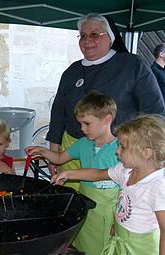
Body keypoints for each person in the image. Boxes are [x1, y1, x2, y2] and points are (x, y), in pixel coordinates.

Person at [46, 13, 165, 190]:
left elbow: (154, 110)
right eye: (83, 36)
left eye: (95, 34)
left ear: (110, 37)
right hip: (72, 150)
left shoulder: (132, 64)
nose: (87, 40)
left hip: (117, 150)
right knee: (72, 200)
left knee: (108, 202)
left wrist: (148, 151)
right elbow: (58, 114)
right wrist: (54, 152)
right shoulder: (72, 71)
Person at [52, 114, 165, 255]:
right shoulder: (125, 171)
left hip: (141, 252)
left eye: (123, 147)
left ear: (146, 153)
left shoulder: (157, 186)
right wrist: (69, 173)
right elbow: (99, 174)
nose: (117, 151)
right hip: (121, 240)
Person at [26, 92, 119, 255]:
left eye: (87, 123)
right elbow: (60, 158)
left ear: (107, 119)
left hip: (109, 213)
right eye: (80, 123)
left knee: (105, 251)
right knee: (85, 250)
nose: (82, 129)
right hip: (87, 208)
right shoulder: (83, 143)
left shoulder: (120, 148)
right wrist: (44, 152)